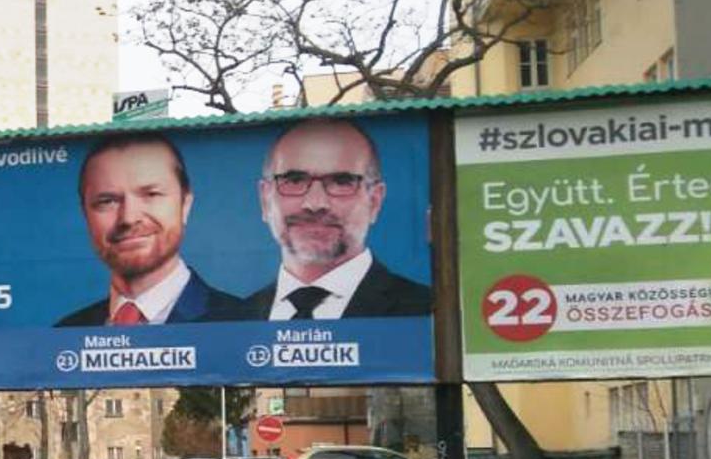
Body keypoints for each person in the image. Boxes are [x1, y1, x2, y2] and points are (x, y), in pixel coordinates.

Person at [238, 118, 431, 319]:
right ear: (265, 200)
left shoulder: (426, 311)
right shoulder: (235, 318)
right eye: (294, 180)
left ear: (374, 201)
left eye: (341, 182)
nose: (315, 204)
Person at [56, 131, 239, 326]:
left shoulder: (244, 321)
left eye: (151, 194)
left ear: (185, 204)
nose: (129, 218)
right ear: (85, 214)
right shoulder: (65, 332)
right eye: (107, 201)